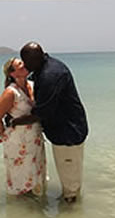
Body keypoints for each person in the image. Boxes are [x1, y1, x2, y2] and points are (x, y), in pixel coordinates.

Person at [13, 42, 88, 204]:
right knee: (70, 175)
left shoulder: (50, 75)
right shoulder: (45, 68)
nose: (25, 65)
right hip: (67, 129)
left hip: (68, 133)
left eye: (26, 61)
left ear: (35, 59)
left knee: (71, 185)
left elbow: (42, 112)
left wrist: (16, 121)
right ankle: (71, 214)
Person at [0, 57, 47, 197]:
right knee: (19, 180)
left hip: (35, 139)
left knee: (36, 176)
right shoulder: (11, 92)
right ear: (13, 74)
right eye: (20, 65)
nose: (24, 65)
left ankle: (35, 212)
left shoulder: (33, 85)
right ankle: (18, 213)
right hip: (17, 142)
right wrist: (5, 134)